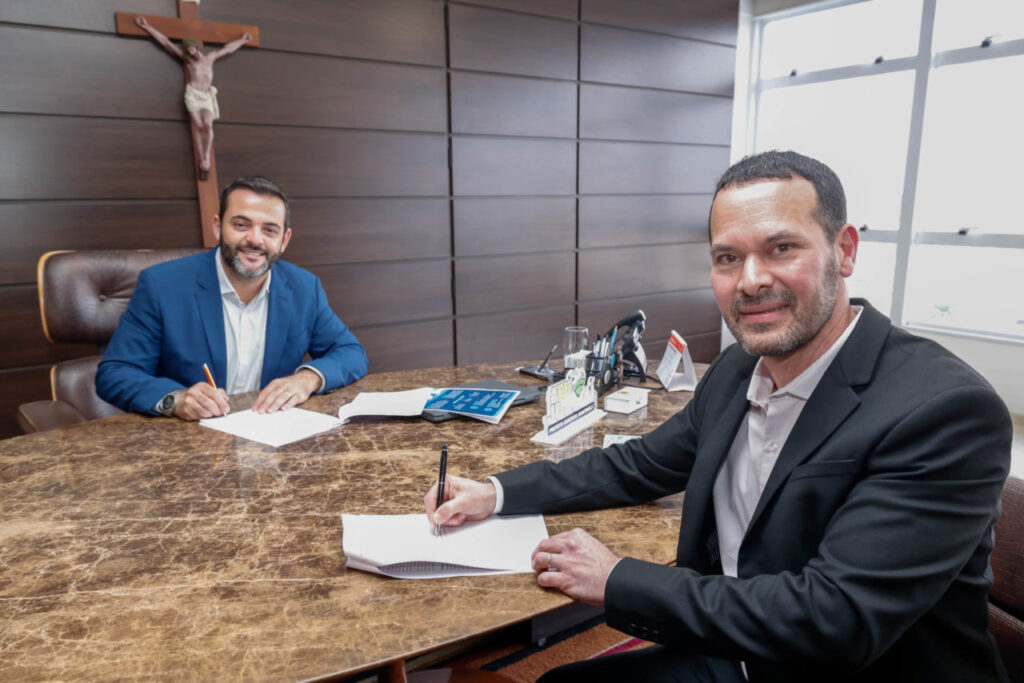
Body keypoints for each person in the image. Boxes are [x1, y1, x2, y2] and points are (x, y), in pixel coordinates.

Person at [425, 151, 1013, 682]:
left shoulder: (944, 410)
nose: (750, 281)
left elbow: (835, 620)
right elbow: (641, 465)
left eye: (781, 248)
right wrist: (495, 493)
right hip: (739, 646)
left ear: (845, 250)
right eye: (728, 258)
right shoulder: (738, 368)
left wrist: (616, 577)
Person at [97, 175, 368, 420]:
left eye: (269, 230)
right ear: (218, 227)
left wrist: (307, 379)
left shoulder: (304, 288)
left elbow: (350, 353)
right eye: (241, 224)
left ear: (284, 240)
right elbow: (116, 373)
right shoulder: (161, 286)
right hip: (191, 443)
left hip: (272, 437)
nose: (255, 239)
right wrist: (176, 400)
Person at [135, 15, 251, 179]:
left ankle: (206, 155)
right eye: (187, 50)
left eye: (191, 49)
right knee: (199, 125)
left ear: (197, 48)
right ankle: (202, 158)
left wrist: (243, 40)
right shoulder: (188, 61)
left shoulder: (210, 58)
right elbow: (166, 42)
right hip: (193, 95)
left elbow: (228, 49)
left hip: (206, 96)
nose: (190, 52)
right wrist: (147, 27)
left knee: (208, 126)